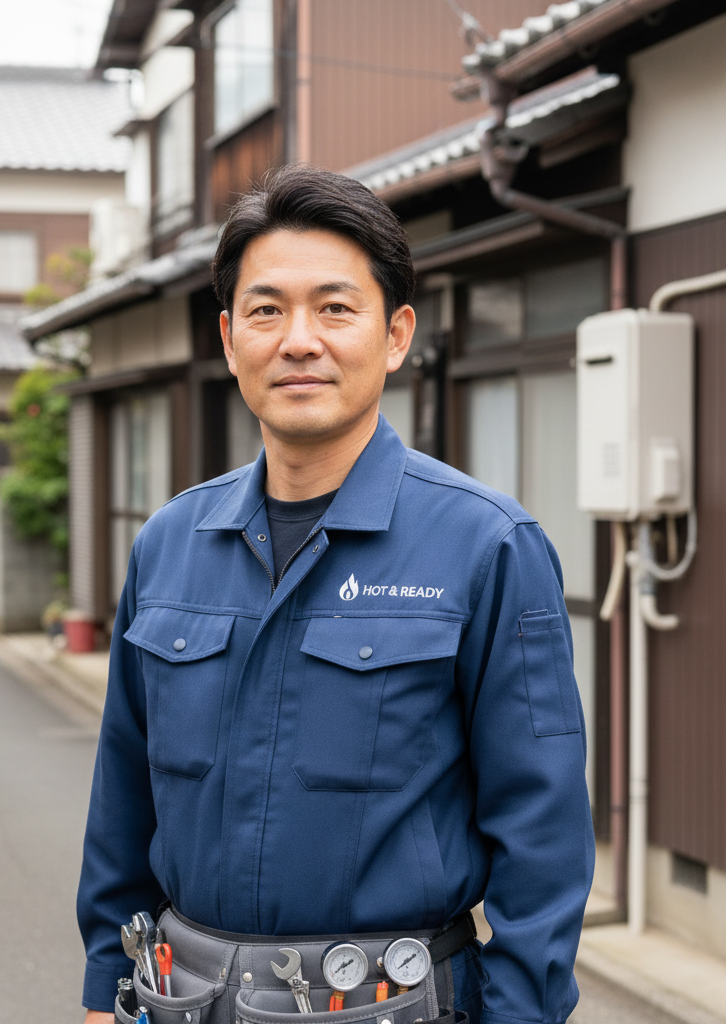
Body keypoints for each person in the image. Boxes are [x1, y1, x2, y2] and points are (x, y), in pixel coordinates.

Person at [77, 165, 594, 1024]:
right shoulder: (170, 543)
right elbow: (122, 797)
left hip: (393, 1003)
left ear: (395, 336)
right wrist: (105, 986)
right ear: (229, 337)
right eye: (267, 309)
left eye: (335, 308)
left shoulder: (487, 544)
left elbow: (541, 833)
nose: (299, 340)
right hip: (179, 999)